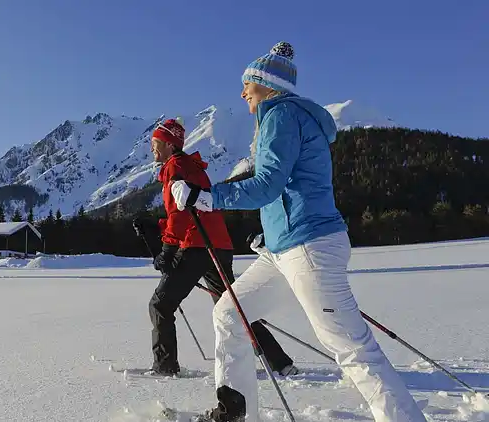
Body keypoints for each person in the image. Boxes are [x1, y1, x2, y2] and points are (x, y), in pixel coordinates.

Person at [171, 42, 427, 422]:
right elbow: (289, 187)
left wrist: (206, 197)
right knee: (229, 314)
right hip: (287, 247)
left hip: (309, 246)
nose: (243, 93)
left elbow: (267, 185)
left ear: (267, 85)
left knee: (351, 347)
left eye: (248, 85)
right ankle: (236, 412)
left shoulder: (281, 115)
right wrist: (271, 234)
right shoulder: (287, 117)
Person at [147, 117, 298, 379]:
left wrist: (168, 249)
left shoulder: (175, 167)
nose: (153, 149)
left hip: (196, 245)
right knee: (233, 307)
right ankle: (279, 362)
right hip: (217, 245)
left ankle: (165, 368)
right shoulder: (192, 167)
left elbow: (180, 214)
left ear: (170, 145)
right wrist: (160, 231)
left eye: (156, 143)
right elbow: (190, 211)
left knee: (160, 305)